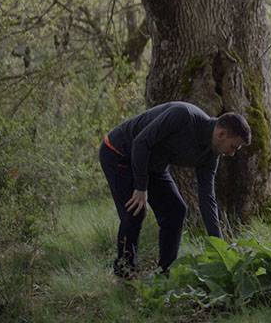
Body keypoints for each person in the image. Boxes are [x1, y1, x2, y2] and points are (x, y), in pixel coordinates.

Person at [99, 101, 251, 277]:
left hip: (152, 165)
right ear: (221, 134)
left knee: (176, 210)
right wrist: (140, 187)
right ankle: (125, 273)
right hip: (119, 153)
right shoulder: (182, 116)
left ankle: (165, 273)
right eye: (233, 147)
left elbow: (207, 198)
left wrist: (220, 248)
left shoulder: (210, 156)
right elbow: (141, 142)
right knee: (135, 211)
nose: (232, 154)